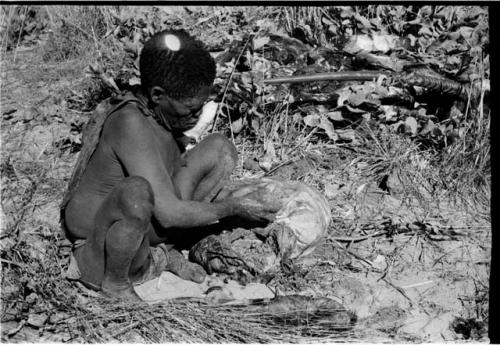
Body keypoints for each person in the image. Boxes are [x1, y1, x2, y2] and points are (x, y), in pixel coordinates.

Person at [60, 29, 279, 302]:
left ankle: (164, 253)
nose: (196, 115)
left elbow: (168, 186)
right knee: (136, 193)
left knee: (220, 149)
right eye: (189, 110)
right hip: (101, 252)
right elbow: (169, 214)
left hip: (145, 241)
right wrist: (234, 207)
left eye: (201, 108)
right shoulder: (130, 122)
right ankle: (116, 286)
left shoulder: (158, 115)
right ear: (157, 95)